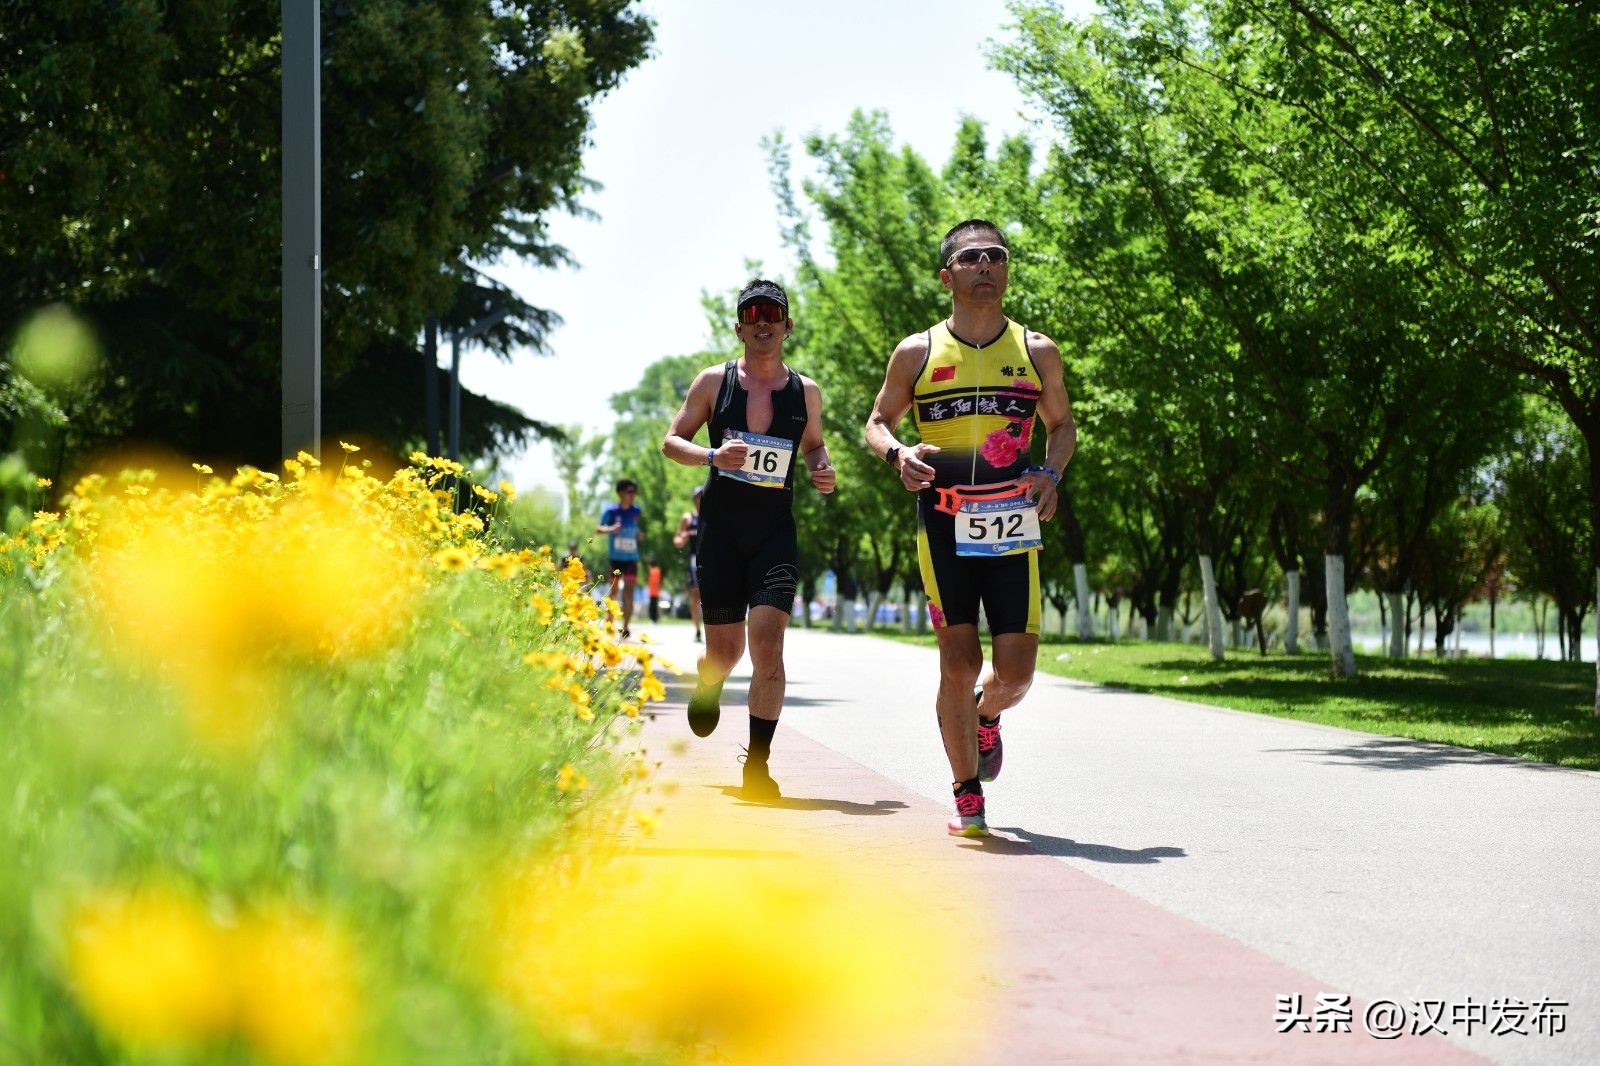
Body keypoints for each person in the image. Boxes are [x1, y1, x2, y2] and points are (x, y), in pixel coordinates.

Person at [864, 219, 1076, 837]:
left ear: (1006, 271)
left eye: (996, 257)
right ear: (947, 276)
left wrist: (1052, 476)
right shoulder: (917, 352)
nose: (985, 265)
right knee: (958, 663)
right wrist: (897, 454)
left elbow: (1061, 426)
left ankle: (988, 716)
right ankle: (966, 792)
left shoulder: (1037, 351)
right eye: (971, 258)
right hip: (944, 522)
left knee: (1015, 673)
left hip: (1013, 524)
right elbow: (878, 420)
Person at [661, 279, 835, 800]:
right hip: (721, 533)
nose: (763, 321)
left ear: (788, 326)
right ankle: (710, 681)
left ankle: (756, 766)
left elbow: (814, 447)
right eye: (752, 313)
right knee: (727, 650)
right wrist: (712, 457)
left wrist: (822, 469)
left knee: (768, 648)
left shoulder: (806, 392)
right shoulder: (714, 383)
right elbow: (672, 442)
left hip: (773, 534)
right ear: (738, 326)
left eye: (773, 313)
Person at [596, 479, 643, 639]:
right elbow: (598, 529)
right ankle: (609, 621)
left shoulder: (637, 511)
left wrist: (640, 535)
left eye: (634, 492)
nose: (633, 495)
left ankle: (626, 626)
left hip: (631, 559)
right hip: (615, 559)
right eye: (630, 491)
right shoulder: (611, 511)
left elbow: (639, 529)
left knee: (629, 592)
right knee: (614, 591)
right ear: (621, 493)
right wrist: (611, 529)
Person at [673, 485, 705, 642]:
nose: (700, 499)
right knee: (695, 594)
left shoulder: (713, 516)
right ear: (693, 499)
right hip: (694, 560)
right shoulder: (688, 518)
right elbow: (677, 541)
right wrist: (683, 538)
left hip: (712, 559)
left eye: (703, 495)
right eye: (698, 496)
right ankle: (698, 630)